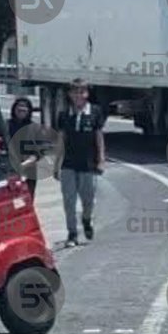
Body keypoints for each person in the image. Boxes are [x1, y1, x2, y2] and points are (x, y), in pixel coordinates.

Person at [55, 79, 105, 246]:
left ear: (87, 94)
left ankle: (86, 219)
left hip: (88, 163)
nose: (78, 95)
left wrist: (101, 160)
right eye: (75, 92)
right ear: (70, 95)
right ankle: (72, 233)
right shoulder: (64, 114)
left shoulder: (95, 112)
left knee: (88, 199)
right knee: (69, 200)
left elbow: (99, 137)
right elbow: (61, 140)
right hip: (68, 164)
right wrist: (56, 164)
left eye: (82, 92)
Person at [7, 97, 39, 197]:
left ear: (29, 110)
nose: (21, 109)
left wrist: (23, 165)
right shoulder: (6, 125)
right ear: (14, 109)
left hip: (28, 171)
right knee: (11, 202)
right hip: (9, 170)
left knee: (26, 201)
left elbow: (37, 153)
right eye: (19, 106)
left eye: (25, 107)